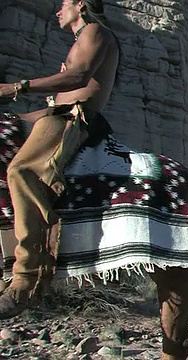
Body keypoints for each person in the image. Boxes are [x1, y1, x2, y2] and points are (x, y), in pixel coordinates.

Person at [0, 0, 119, 319]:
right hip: (56, 115)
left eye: (63, 4)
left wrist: (16, 87)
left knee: (22, 171)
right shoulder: (82, 38)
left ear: (81, 4)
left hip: (74, 121)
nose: (58, 10)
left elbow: (78, 79)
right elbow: (54, 105)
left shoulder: (96, 31)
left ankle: (25, 278)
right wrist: (14, 117)